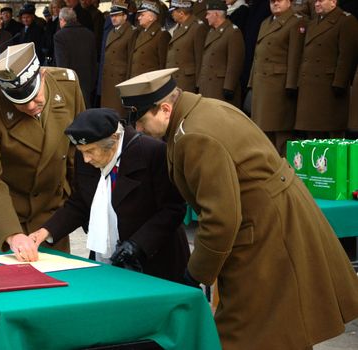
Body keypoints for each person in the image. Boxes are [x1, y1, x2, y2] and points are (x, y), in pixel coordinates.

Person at [116, 68, 358, 350]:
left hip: (268, 232)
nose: (140, 130)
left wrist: (195, 274)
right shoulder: (202, 109)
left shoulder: (194, 136)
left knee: (245, 333)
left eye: (142, 121)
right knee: (281, 325)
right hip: (275, 219)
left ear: (166, 109)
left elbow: (220, 219)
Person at [29, 108, 190, 282]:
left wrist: (137, 244)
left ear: (113, 140)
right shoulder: (87, 155)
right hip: (106, 256)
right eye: (81, 151)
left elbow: (173, 209)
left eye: (90, 151)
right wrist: (45, 232)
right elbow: (80, 202)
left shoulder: (152, 153)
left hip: (154, 261)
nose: (85, 159)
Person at [0, 43, 86, 258]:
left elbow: (80, 151)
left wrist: (79, 206)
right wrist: (11, 234)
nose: (30, 106)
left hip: (51, 215)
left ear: (43, 76)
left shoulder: (68, 85)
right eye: (20, 102)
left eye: (34, 96)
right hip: (6, 215)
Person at [249, 0, 306, 155]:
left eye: (279, 1)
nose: (275, 3)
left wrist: (291, 85)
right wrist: (251, 82)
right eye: (272, 1)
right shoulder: (265, 22)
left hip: (279, 85)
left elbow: (295, 56)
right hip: (262, 83)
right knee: (263, 131)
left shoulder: (295, 22)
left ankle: (284, 170)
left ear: (289, 2)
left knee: (280, 131)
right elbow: (258, 54)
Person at [295, 0, 358, 139]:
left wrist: (340, 83)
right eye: (315, 1)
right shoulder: (312, 23)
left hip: (329, 87)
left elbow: (346, 55)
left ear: (333, 2)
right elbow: (304, 55)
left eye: (321, 1)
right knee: (312, 134)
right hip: (309, 85)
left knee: (333, 134)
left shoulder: (345, 21)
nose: (317, 4)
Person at [197, 0, 245, 107]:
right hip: (207, 85)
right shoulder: (212, 31)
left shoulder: (233, 32)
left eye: (208, 14)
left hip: (220, 87)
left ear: (216, 14)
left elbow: (235, 62)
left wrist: (229, 86)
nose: (206, 17)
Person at [54, 7, 97, 108]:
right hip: (87, 82)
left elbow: (61, 64)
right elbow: (94, 62)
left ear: (62, 20)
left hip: (69, 83)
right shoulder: (89, 34)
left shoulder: (59, 36)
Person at [100, 0, 136, 116]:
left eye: (117, 15)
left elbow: (131, 59)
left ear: (125, 16)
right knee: (108, 112)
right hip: (109, 79)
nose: (113, 18)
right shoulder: (111, 32)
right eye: (112, 16)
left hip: (120, 79)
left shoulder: (131, 32)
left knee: (118, 113)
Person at [165, 0, 207, 93]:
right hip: (175, 78)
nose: (172, 14)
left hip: (187, 80)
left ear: (181, 13)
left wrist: (199, 84)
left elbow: (200, 57)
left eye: (173, 12)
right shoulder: (179, 27)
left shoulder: (197, 27)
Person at [128, 0, 170, 78]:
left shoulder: (162, 34)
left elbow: (163, 63)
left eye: (142, 15)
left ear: (151, 18)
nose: (139, 18)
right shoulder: (139, 33)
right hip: (136, 79)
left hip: (150, 81)